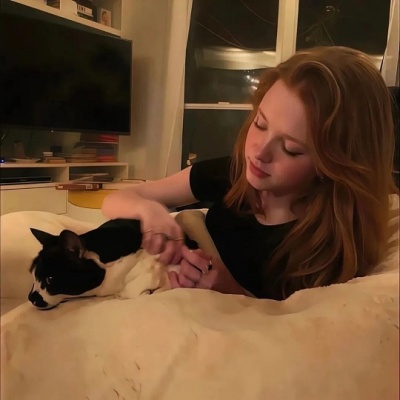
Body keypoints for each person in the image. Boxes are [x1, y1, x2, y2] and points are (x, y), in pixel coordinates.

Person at [102, 46, 398, 300]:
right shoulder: (233, 172)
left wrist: (232, 293)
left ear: (335, 164)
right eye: (260, 124)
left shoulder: (331, 246)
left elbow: (294, 328)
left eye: (291, 149)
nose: (259, 152)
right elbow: (119, 198)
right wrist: (151, 212)